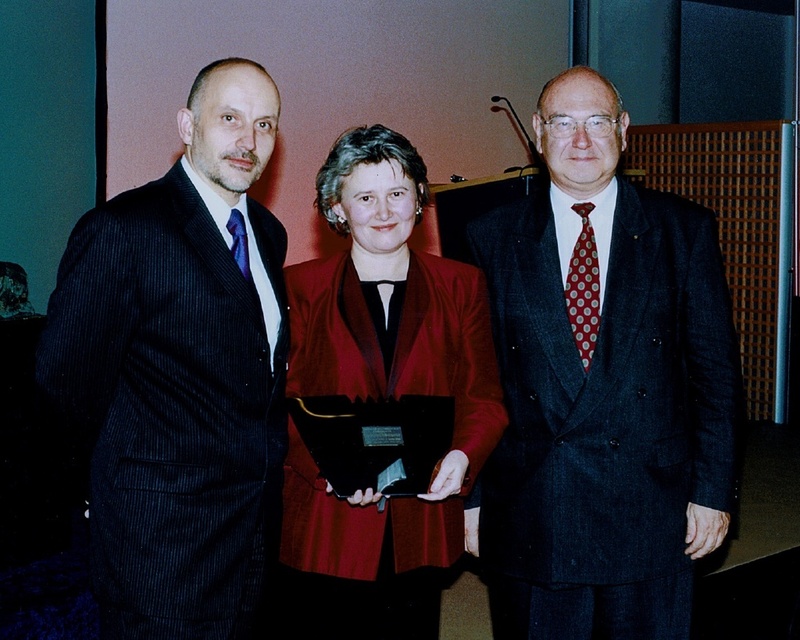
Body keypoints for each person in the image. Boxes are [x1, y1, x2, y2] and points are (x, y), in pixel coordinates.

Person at [465, 66, 743, 639]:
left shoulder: (682, 230)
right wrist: (469, 501)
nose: (581, 140)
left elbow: (715, 377)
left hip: (652, 507)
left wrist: (712, 493)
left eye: (597, 122)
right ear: (538, 132)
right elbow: (472, 383)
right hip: (535, 509)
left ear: (623, 128)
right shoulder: (489, 235)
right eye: (564, 123)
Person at [36, 58, 288, 638]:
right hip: (158, 552)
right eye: (230, 118)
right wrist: (109, 496)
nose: (249, 141)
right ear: (187, 125)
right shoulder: (123, 231)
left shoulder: (268, 235)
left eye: (266, 125)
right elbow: (62, 387)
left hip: (250, 541)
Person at [277, 124, 508, 639]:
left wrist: (463, 456)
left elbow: (483, 396)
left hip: (420, 521)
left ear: (419, 199)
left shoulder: (461, 285)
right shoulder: (299, 287)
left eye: (397, 193)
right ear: (338, 208)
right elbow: (278, 402)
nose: (383, 212)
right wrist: (332, 469)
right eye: (365, 197)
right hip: (327, 519)